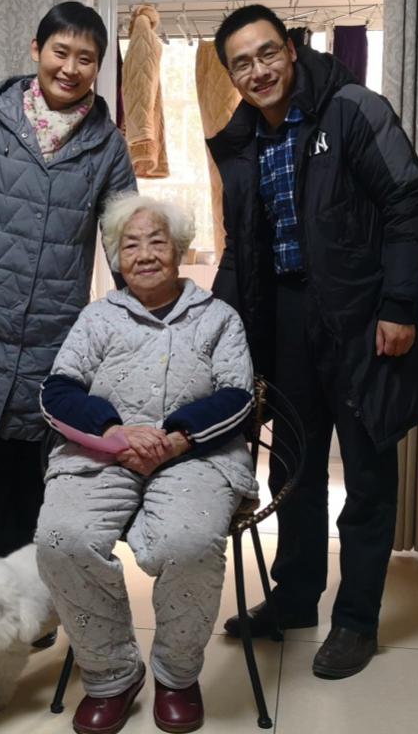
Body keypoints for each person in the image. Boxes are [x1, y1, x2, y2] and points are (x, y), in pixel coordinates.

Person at [209, 4, 418, 679]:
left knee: (365, 474)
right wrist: (213, 328)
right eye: (241, 63)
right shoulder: (242, 141)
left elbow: (407, 203)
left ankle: (356, 621)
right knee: (293, 468)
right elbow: (240, 250)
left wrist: (399, 305)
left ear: (289, 48)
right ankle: (295, 598)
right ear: (230, 75)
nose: (258, 71)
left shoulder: (352, 109)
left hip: (360, 316)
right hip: (284, 319)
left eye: (266, 53)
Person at [0, 1, 136, 561]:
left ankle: (34, 595)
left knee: (39, 469)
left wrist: (140, 319)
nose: (71, 68)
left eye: (86, 59)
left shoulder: (107, 143)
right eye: (61, 52)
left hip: (52, 330)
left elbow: (124, 235)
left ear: (98, 66)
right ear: (37, 50)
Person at [35, 193, 257, 734]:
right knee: (61, 538)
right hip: (102, 453)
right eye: (131, 245)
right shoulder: (98, 317)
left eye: (157, 241)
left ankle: (177, 676)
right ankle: (112, 675)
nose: (145, 254)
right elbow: (57, 391)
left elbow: (239, 396)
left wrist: (177, 437)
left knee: (189, 542)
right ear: (117, 257)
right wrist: (112, 431)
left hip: (193, 455)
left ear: (178, 249)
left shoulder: (218, 317)